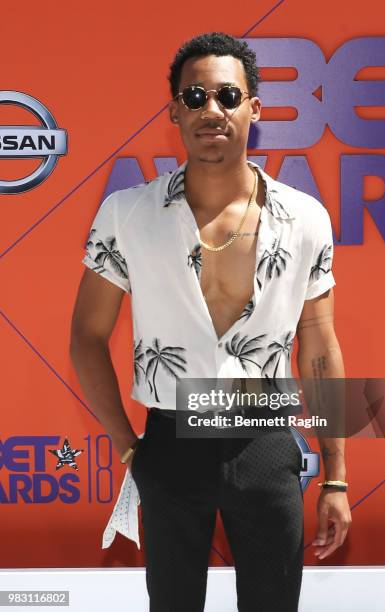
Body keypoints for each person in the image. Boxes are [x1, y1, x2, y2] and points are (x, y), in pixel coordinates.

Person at [70, 31, 351, 612]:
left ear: (254, 108)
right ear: (174, 109)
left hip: (268, 440)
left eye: (227, 95)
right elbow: (87, 337)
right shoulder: (127, 214)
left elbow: (319, 346)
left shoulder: (305, 219)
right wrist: (129, 448)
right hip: (169, 446)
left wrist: (337, 476)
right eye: (194, 97)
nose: (211, 110)